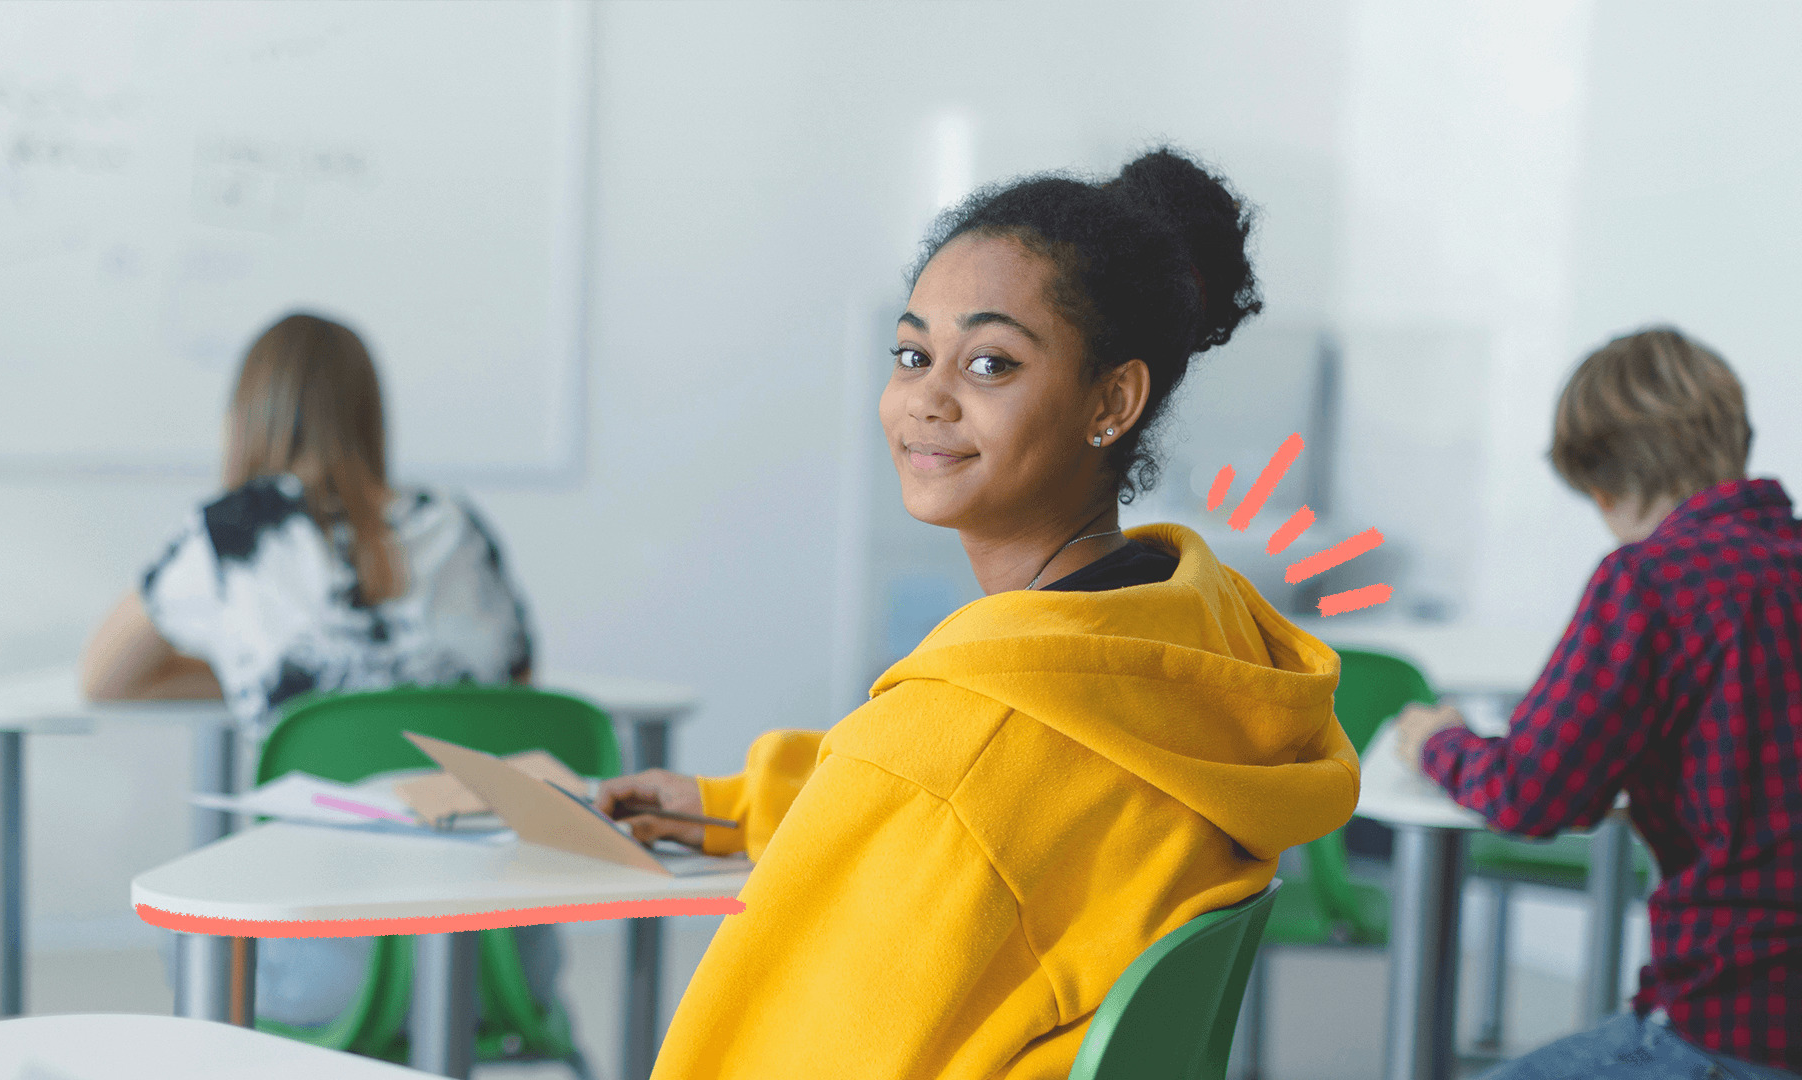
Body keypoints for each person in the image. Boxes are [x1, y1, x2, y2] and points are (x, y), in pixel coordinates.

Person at [597, 148, 1361, 1079]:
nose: (927, 397)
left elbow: (770, 1051)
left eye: (991, 364)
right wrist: (750, 803)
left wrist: (868, 792)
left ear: (1112, 401)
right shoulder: (1192, 640)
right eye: (914, 354)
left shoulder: (957, 741)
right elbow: (1031, 828)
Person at [79, 311, 560, 1035]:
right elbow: (516, 699)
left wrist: (253, 672)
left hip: (323, 971)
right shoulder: (460, 527)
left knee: (188, 933)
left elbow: (105, 676)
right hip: (497, 970)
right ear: (371, 414)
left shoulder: (229, 535)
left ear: (246, 416)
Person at [1395, 328, 1801, 1079]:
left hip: (1728, 1027)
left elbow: (1531, 792)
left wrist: (1436, 743)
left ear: (1604, 483)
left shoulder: (1650, 582)